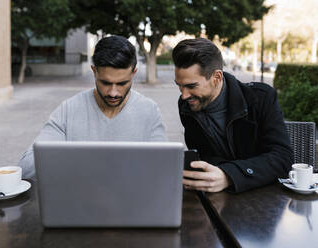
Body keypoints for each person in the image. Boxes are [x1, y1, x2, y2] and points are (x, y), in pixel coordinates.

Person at [18, 35, 167, 178]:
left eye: (122, 83)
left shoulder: (149, 111)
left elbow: (164, 166)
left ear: (133, 73)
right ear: (94, 71)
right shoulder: (68, 110)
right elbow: (27, 168)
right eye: (106, 83)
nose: (113, 93)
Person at [172, 38, 293, 193]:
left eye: (191, 86)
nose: (184, 95)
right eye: (179, 86)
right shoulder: (186, 106)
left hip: (267, 197)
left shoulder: (262, 98)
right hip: (218, 198)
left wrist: (229, 175)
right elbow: (204, 156)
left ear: (216, 77)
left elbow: (283, 159)